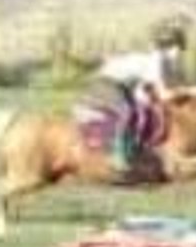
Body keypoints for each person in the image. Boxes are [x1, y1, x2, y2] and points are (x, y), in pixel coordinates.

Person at [77, 23, 188, 172]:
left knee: (140, 111)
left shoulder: (163, 61)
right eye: (180, 49)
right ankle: (117, 155)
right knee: (127, 111)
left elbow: (154, 91)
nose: (181, 54)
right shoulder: (156, 61)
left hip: (120, 85)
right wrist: (192, 92)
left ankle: (134, 148)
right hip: (107, 82)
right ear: (171, 47)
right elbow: (165, 95)